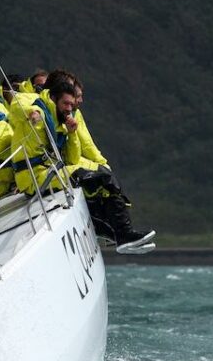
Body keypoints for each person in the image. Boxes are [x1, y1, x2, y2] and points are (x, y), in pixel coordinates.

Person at [45, 74, 155, 253]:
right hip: (49, 170)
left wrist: (101, 163)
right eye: (74, 97)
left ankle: (116, 231)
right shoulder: (43, 111)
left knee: (104, 178)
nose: (78, 101)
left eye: (77, 98)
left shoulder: (68, 113)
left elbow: (86, 144)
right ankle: (119, 232)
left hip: (65, 164)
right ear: (56, 95)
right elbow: (78, 150)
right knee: (103, 180)